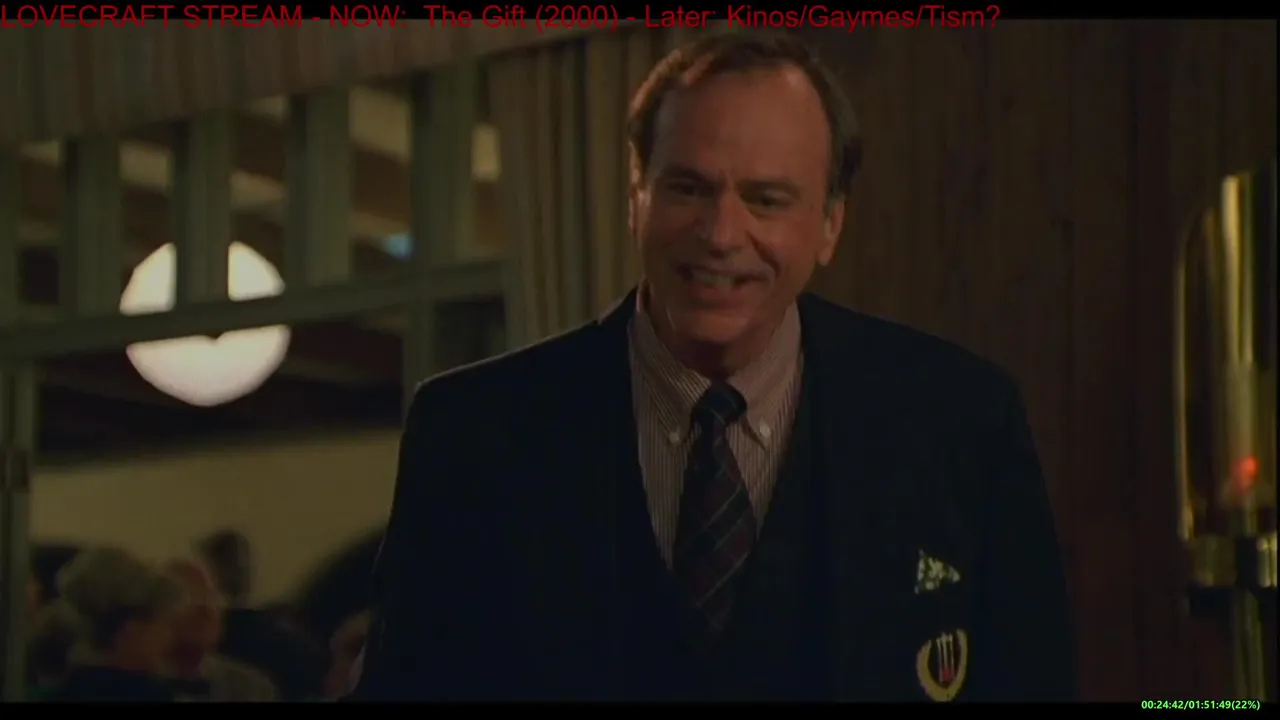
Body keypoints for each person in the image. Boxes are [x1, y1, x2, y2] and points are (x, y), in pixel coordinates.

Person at [352, 30, 1076, 702]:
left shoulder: (962, 422)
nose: (721, 234)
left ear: (829, 224)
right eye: (688, 189)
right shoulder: (471, 434)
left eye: (767, 199)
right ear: (636, 199)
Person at [41, 547, 181, 702]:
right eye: (165, 623)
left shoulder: (60, 690)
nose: (171, 636)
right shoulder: (148, 694)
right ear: (130, 629)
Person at [163, 559, 280, 702]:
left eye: (211, 598)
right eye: (191, 598)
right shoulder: (143, 683)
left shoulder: (251, 688)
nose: (207, 610)